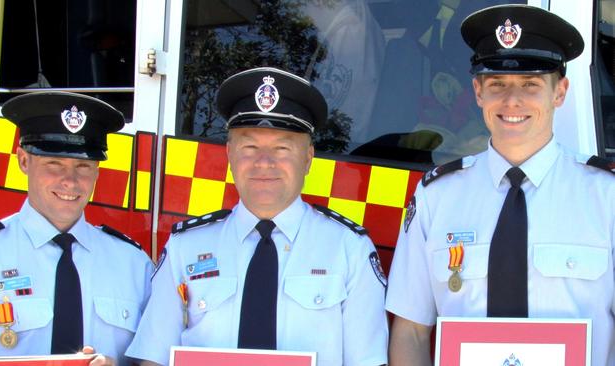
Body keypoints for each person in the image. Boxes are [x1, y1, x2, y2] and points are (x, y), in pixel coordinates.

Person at [385, 4, 615, 366]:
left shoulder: (606, 196)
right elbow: (411, 331)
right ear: (478, 92)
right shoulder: (437, 196)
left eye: (530, 85)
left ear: (560, 92)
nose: (512, 101)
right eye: (497, 85)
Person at [126, 67, 388, 366]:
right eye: (250, 146)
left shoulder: (349, 249)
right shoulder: (184, 247)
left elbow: (367, 361)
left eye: (282, 148)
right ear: (229, 154)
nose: (264, 162)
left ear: (308, 158)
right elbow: (153, 357)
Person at [0, 92, 154, 365]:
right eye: (54, 163)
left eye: (83, 166)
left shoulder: (134, 265)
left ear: (98, 171)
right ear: (24, 161)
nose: (70, 181)